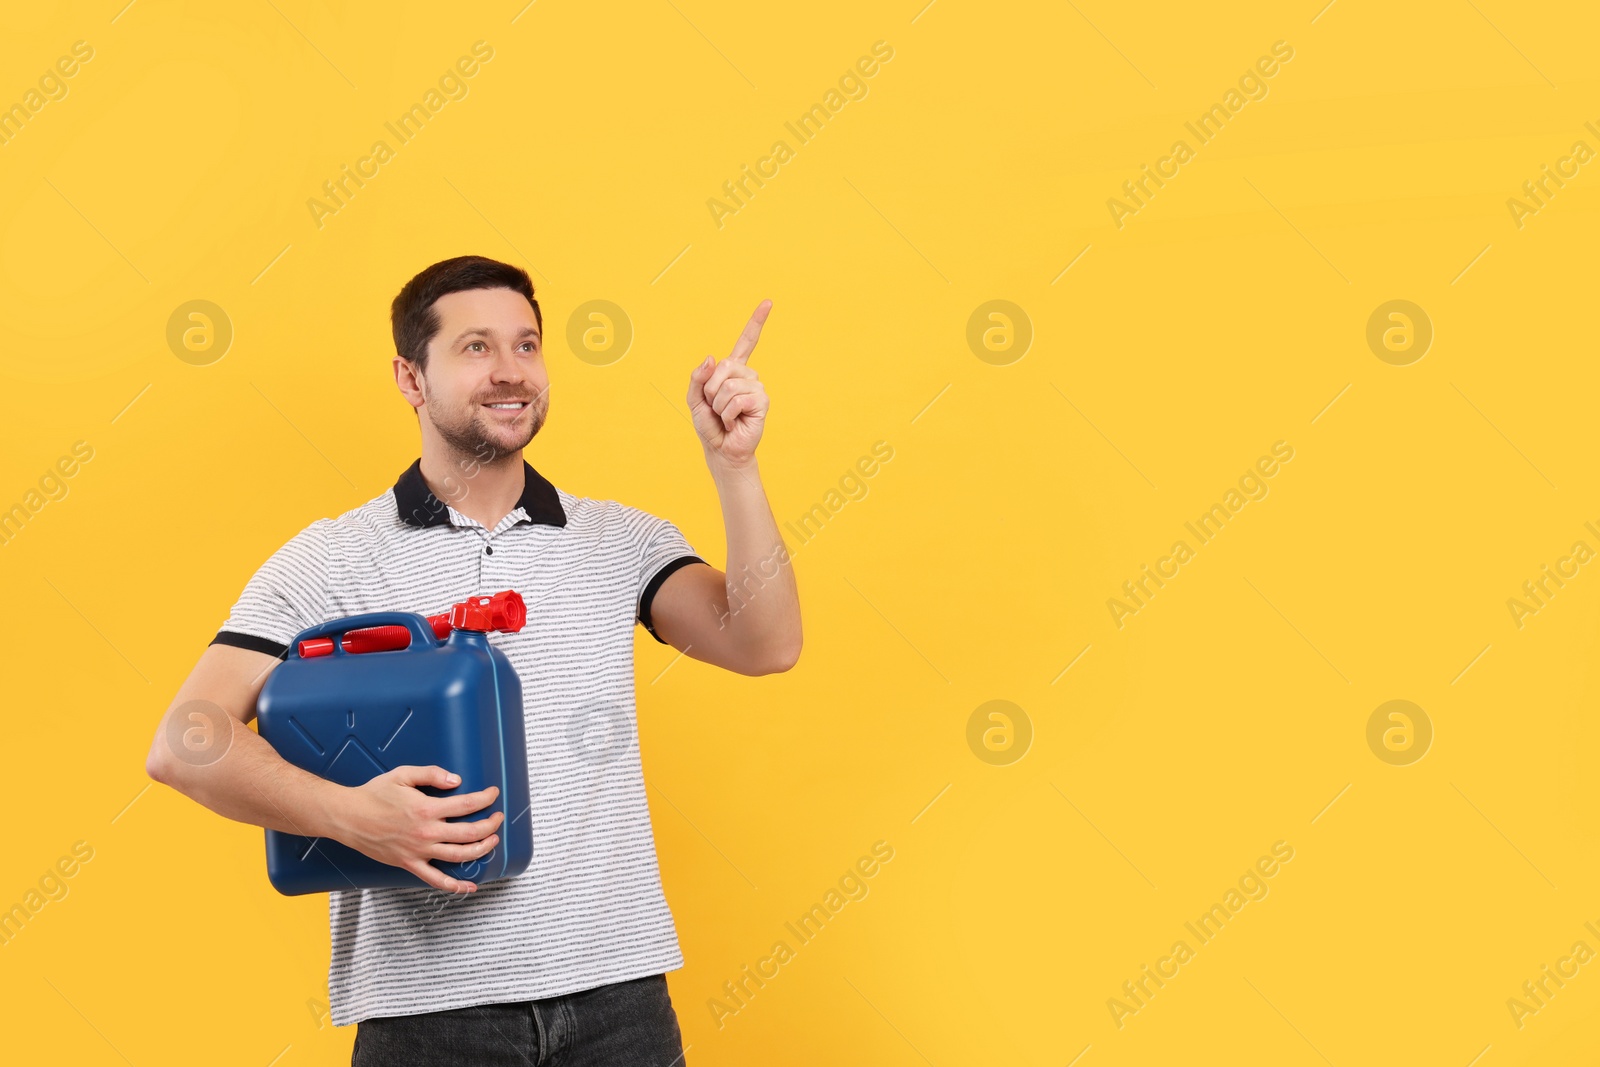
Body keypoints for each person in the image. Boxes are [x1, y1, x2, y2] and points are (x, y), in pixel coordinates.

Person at [145, 254, 801, 1066]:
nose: (510, 372)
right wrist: (352, 816)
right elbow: (185, 740)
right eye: (476, 347)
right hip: (428, 1020)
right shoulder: (329, 560)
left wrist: (733, 467)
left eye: (527, 345)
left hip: (621, 1002)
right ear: (410, 377)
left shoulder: (619, 541)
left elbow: (766, 642)